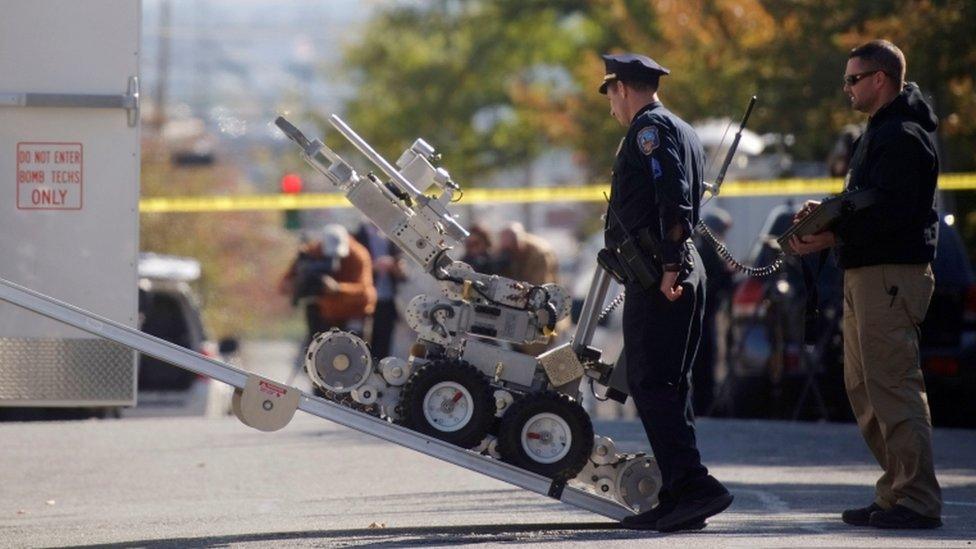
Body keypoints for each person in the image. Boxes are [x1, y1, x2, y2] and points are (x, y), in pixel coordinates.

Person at [790, 40, 942, 529]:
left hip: (890, 274)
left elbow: (899, 214)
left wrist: (833, 231)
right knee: (864, 388)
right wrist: (829, 212)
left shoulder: (903, 135)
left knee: (892, 386)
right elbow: (868, 202)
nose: (847, 88)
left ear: (881, 79)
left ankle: (917, 499)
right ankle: (897, 491)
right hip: (865, 272)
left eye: (854, 79)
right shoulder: (879, 132)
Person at [599, 52, 732, 532]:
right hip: (670, 270)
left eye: (610, 93)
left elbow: (672, 196)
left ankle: (695, 487)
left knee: (653, 383)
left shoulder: (648, 129)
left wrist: (670, 266)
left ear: (622, 88)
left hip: (662, 274)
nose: (610, 105)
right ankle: (680, 495)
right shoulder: (681, 127)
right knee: (670, 385)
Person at [278, 224, 377, 346]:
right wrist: (302, 284)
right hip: (325, 316)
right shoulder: (312, 253)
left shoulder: (358, 255)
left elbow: (365, 293)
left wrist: (338, 289)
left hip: (353, 315)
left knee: (354, 354)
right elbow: (284, 285)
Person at [692, 209, 735, 415]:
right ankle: (704, 405)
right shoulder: (707, 249)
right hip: (703, 316)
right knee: (703, 363)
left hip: (704, 315)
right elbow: (714, 282)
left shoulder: (705, 247)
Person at [354, 222, 405, 359]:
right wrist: (372, 267)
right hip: (367, 299)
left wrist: (394, 266)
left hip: (387, 299)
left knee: (384, 343)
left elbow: (403, 272)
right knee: (363, 342)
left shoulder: (391, 233)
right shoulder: (360, 234)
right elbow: (354, 267)